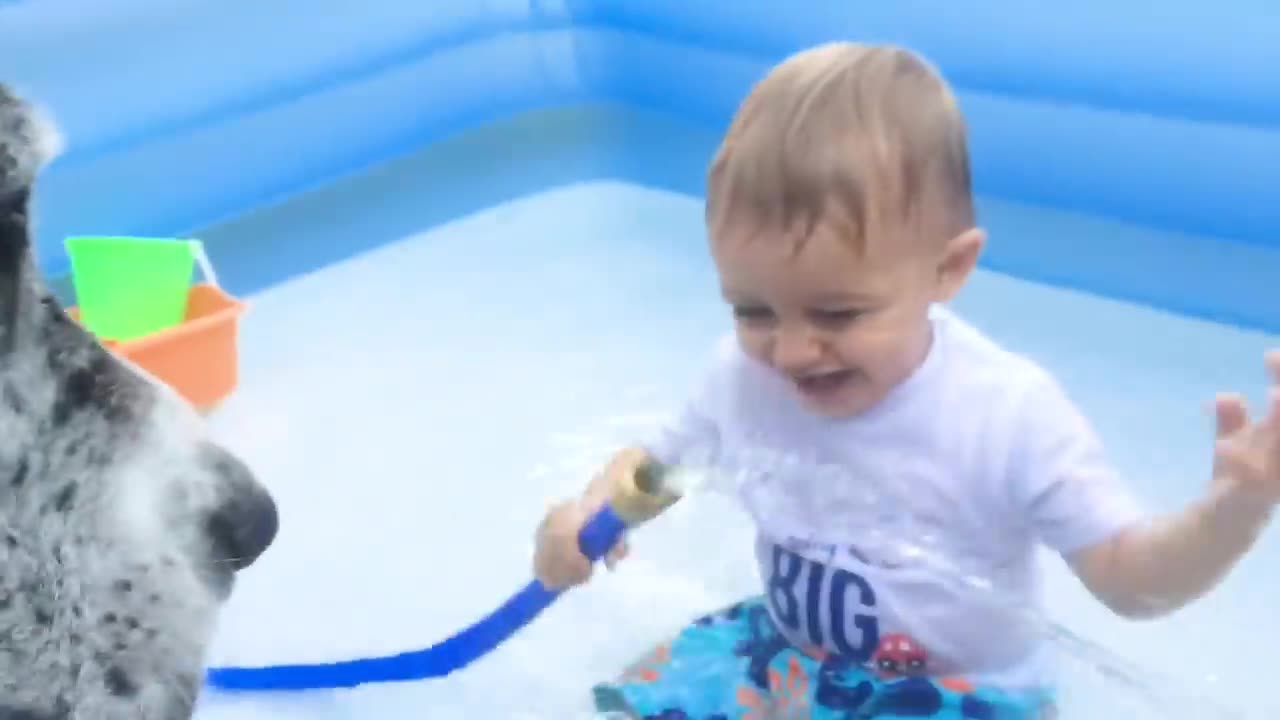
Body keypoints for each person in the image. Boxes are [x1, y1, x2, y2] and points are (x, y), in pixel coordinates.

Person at [533, 41, 1279, 719]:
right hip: (787, 655)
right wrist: (585, 515)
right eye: (753, 309)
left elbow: (1130, 581)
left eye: (837, 312)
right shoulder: (740, 375)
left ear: (947, 270)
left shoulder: (1008, 415)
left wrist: (1234, 510)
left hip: (954, 695)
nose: (791, 351)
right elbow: (653, 471)